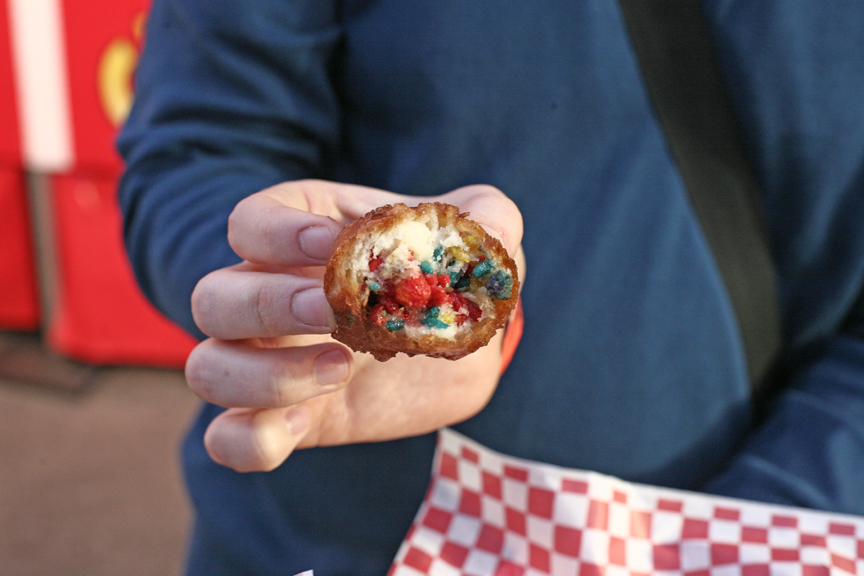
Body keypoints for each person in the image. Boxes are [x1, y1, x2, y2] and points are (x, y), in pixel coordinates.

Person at [117, 1, 864, 574]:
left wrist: (748, 532)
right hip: (341, 536)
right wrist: (272, 274)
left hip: (765, 527)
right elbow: (200, 147)